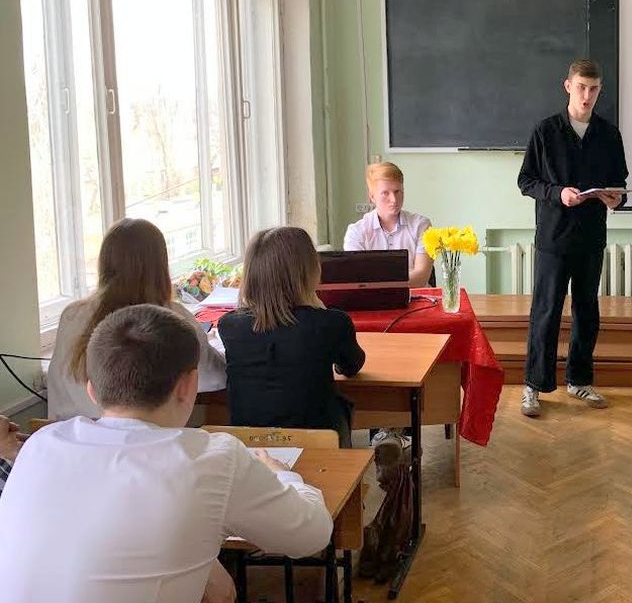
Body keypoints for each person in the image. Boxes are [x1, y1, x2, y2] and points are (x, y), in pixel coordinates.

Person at [0, 304, 332, 603]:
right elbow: (310, 535)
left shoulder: (40, 445)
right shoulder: (214, 458)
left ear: (91, 389)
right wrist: (284, 474)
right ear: (188, 386)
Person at [517, 58, 629, 418]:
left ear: (600, 90)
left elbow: (620, 184)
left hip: (591, 238)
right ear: (568, 86)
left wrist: (616, 199)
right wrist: (557, 193)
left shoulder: (609, 134)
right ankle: (534, 386)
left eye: (593, 89)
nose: (587, 95)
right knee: (546, 311)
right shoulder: (545, 131)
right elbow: (526, 181)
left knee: (587, 310)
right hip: (553, 237)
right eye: (581, 87)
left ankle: (579, 380)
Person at [47, 218, 226, 420]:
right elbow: (214, 377)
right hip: (140, 437)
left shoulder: (72, 315)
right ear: (160, 266)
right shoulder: (171, 319)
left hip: (66, 434)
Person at [219, 227, 365, 445]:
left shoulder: (229, 325)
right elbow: (351, 366)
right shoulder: (331, 322)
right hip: (317, 441)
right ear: (309, 271)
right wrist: (320, 310)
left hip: (249, 443)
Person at [344, 161, 433, 288]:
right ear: (372, 197)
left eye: (397, 191)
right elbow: (357, 280)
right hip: (373, 298)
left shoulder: (421, 225)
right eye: (385, 193)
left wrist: (376, 283)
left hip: (415, 296)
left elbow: (421, 278)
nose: (394, 200)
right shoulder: (356, 232)